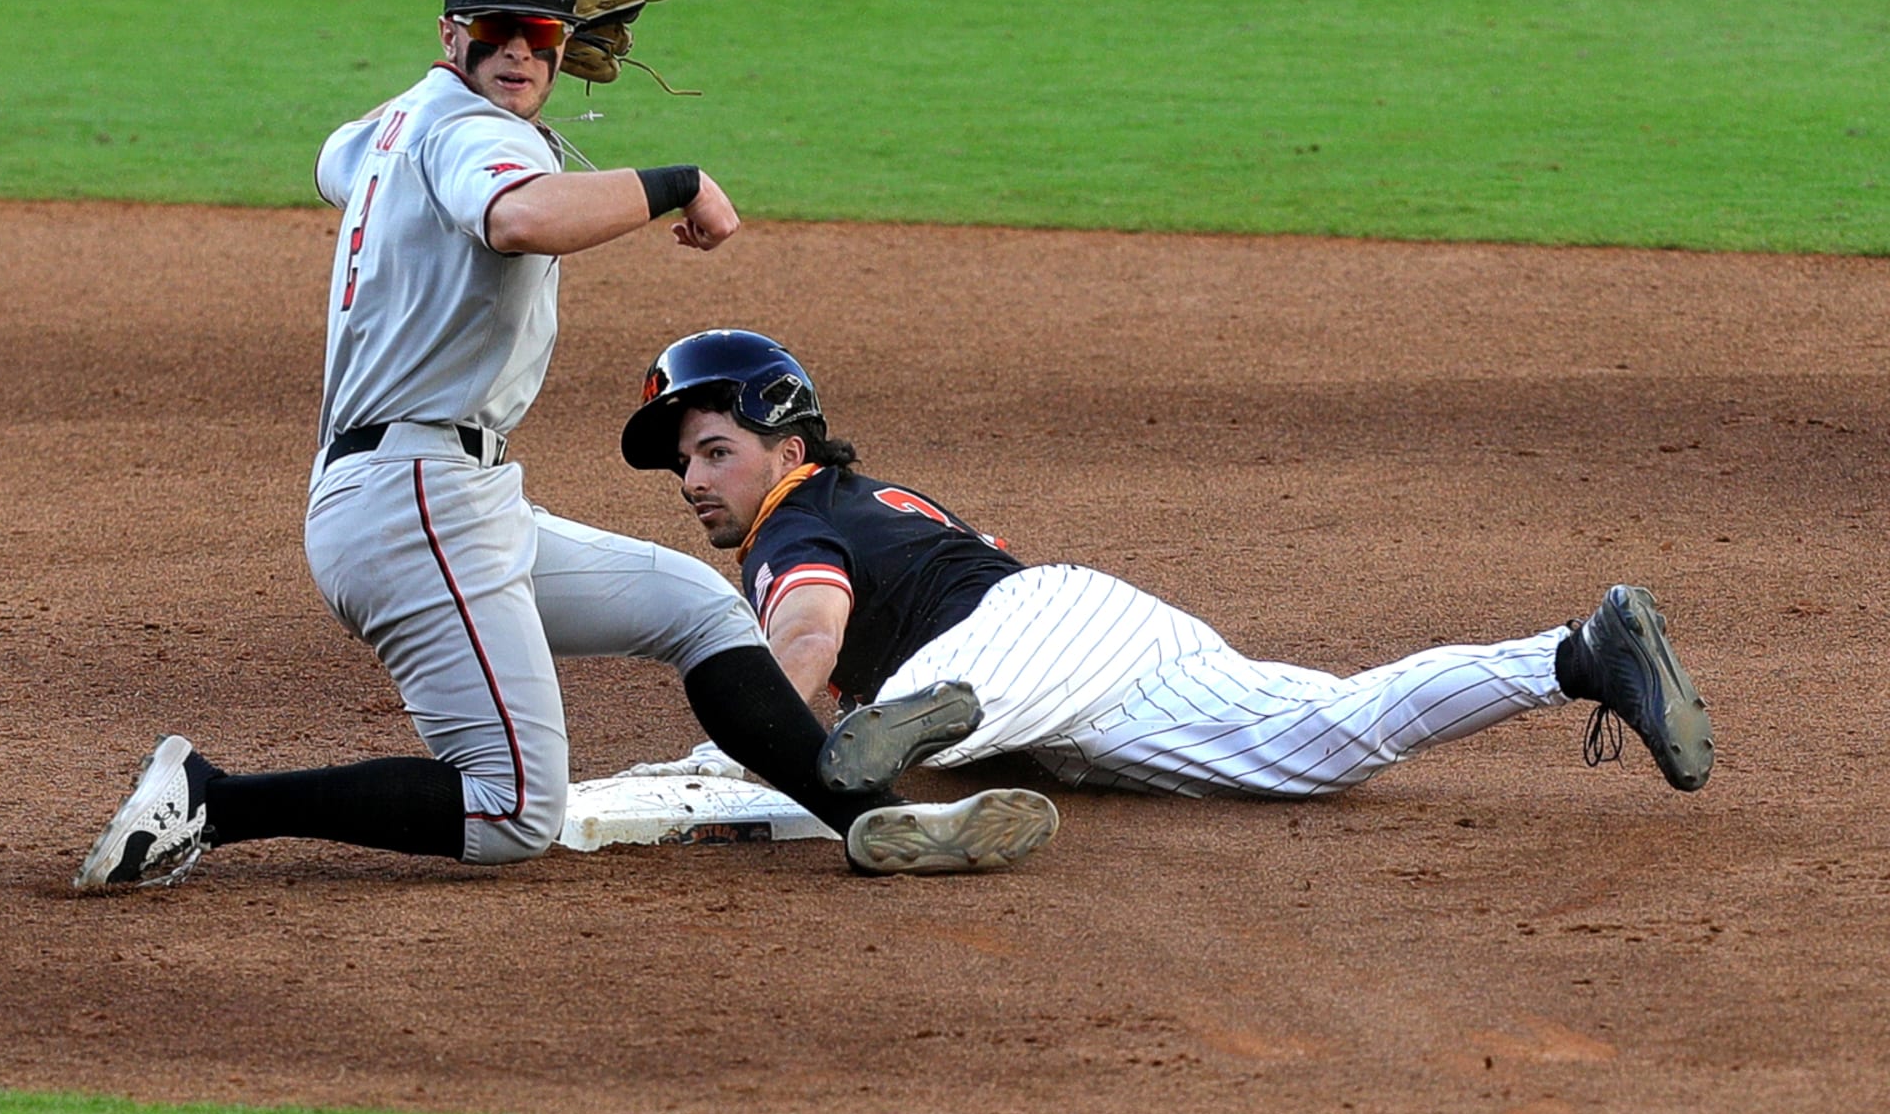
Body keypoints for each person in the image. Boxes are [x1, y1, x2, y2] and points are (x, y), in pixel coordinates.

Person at [73, 0, 1058, 889]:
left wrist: (506, 55)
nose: (517, 51)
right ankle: (208, 801)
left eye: (538, 36)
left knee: (701, 610)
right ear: (448, 33)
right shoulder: (475, 135)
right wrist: (677, 180)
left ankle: (864, 819)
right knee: (510, 811)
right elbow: (517, 216)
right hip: (416, 503)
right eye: (494, 29)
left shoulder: (387, 129)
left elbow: (344, 155)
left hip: (443, 493)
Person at [616, 329, 1716, 802]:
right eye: (683, 463)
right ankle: (1575, 655)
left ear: (789, 446)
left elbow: (805, 631)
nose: (695, 479)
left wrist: (739, 743)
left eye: (716, 450)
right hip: (1095, 657)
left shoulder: (793, 521)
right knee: (1328, 741)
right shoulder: (849, 499)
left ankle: (908, 730)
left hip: (1028, 634)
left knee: (865, 741)